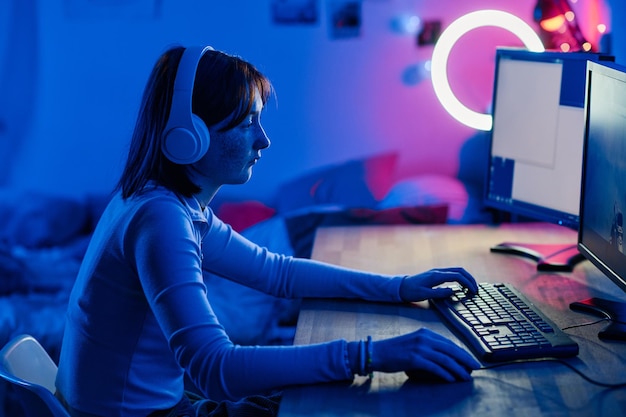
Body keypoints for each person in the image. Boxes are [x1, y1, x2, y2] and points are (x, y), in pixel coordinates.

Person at [55, 44, 481, 417]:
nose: (263, 140)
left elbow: (279, 273)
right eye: (246, 125)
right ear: (190, 138)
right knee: (353, 402)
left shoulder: (166, 201)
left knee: (333, 393)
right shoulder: (160, 218)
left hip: (146, 408)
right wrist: (370, 355)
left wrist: (399, 287)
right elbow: (215, 369)